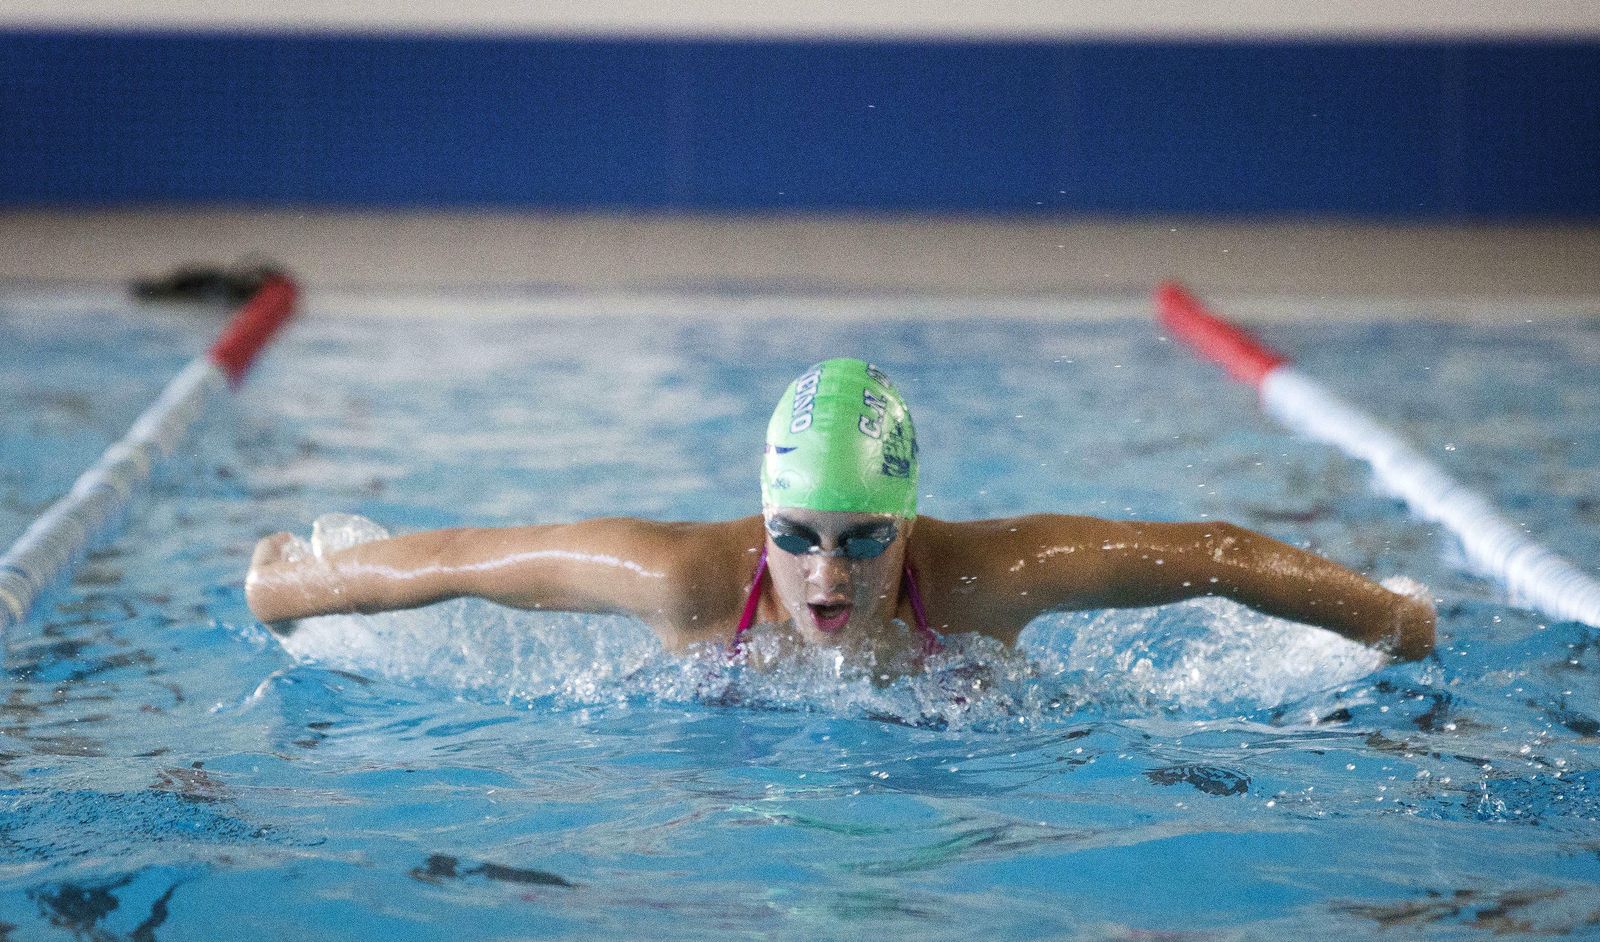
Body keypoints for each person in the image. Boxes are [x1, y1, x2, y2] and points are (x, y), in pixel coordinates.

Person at [246, 358, 1435, 668]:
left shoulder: (988, 575)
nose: (825, 577)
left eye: (865, 540)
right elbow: (461, 559)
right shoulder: (682, 580)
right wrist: (290, 586)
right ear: (757, 521)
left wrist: (1390, 618)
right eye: (798, 537)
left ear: (910, 526)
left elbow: (1213, 557)